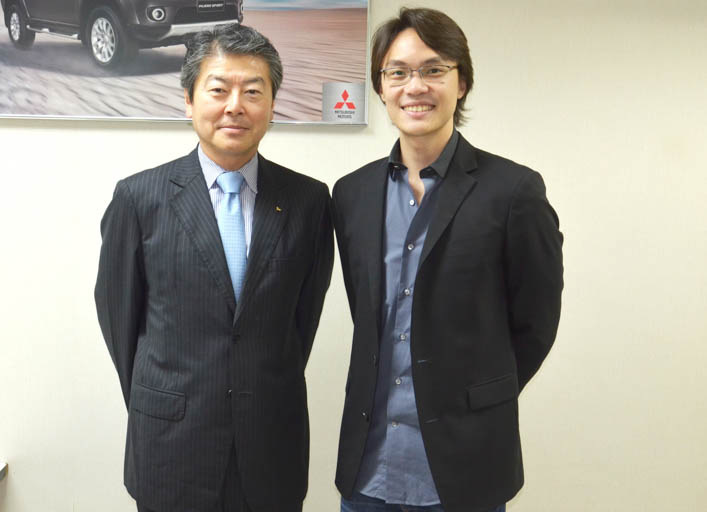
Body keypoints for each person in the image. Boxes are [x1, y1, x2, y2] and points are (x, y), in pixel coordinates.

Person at [332, 8, 563, 512]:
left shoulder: (514, 192)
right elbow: (366, 313)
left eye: (433, 70)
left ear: (462, 84)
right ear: (381, 87)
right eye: (398, 72)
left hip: (465, 466)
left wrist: (476, 391)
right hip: (368, 469)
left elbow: (536, 324)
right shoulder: (351, 194)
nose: (415, 86)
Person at [95, 24, 334, 512]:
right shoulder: (139, 199)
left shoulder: (308, 201)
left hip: (271, 447)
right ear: (189, 100)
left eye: (253, 92)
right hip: (171, 447)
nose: (235, 106)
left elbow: (301, 323)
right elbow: (119, 321)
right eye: (219, 90)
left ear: (272, 104)